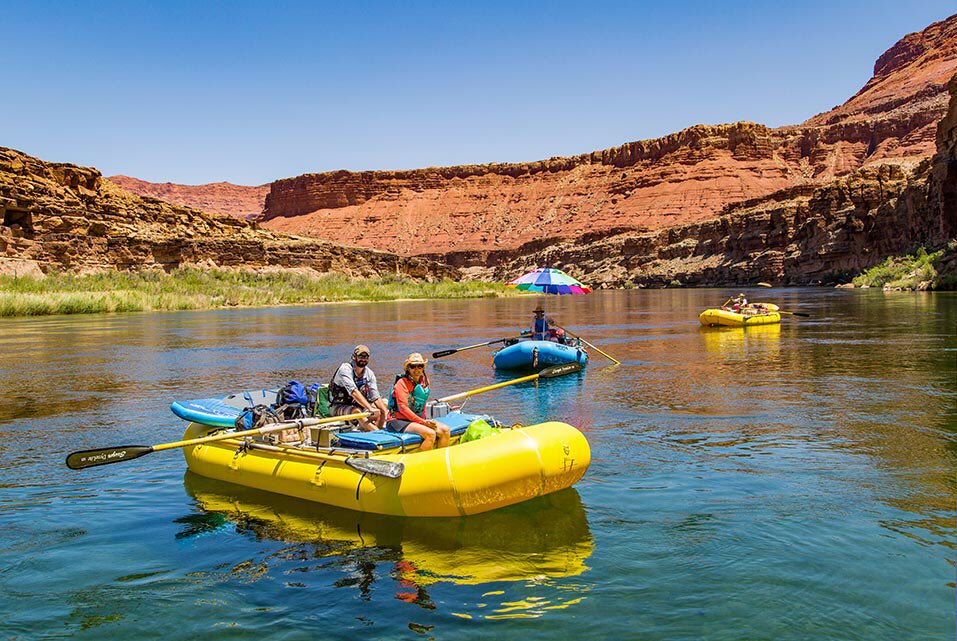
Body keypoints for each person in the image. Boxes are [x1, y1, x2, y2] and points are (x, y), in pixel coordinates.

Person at [386, 353, 450, 451]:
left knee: (445, 430)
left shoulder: (424, 382)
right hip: (398, 421)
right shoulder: (401, 383)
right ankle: (422, 462)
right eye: (413, 366)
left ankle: (439, 459)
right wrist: (422, 422)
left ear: (423, 368)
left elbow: (423, 403)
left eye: (420, 366)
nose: (417, 369)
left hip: (414, 420)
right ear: (408, 368)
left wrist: (425, 420)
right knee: (430, 434)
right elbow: (403, 408)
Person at [328, 345, 387, 431]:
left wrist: (384, 411)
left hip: (359, 405)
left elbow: (375, 396)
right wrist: (370, 408)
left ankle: (375, 429)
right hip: (338, 406)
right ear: (354, 357)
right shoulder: (345, 369)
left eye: (366, 357)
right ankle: (377, 433)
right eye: (360, 356)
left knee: (382, 408)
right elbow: (354, 392)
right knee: (357, 412)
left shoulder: (369, 373)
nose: (363, 359)